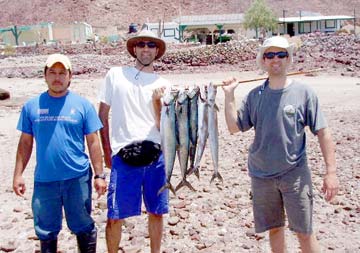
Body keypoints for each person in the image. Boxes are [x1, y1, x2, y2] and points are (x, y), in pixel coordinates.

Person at [222, 36, 339, 252]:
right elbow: (233, 127)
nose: (275, 59)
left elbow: (323, 132)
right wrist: (229, 96)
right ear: (263, 60)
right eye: (270, 55)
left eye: (281, 54)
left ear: (289, 59)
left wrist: (330, 172)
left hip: (294, 175)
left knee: (304, 231)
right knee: (275, 229)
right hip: (261, 175)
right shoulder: (254, 95)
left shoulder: (304, 93)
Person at [12, 53, 107, 253]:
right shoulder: (31, 106)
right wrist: (18, 174)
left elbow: (93, 142)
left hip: (77, 178)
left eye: (62, 73)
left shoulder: (83, 106)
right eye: (52, 72)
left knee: (82, 225)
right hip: (45, 180)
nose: (57, 77)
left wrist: (99, 175)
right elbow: (25, 143)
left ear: (70, 76)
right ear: (45, 76)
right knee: (46, 230)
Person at [98, 29, 170, 253]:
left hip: (156, 156)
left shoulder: (165, 83)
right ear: (134, 49)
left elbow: (164, 127)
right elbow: (102, 115)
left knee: (156, 211)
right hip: (123, 155)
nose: (146, 49)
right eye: (141, 44)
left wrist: (157, 102)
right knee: (115, 214)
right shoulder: (115, 75)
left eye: (151, 45)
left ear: (157, 50)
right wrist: (108, 151)